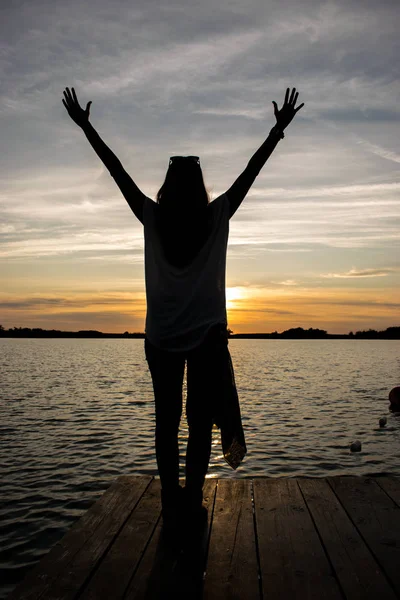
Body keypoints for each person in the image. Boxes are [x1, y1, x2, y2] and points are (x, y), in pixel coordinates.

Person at [62, 86, 304, 532]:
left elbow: (115, 170)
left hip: (162, 338)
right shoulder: (217, 215)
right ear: (200, 186)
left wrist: (86, 127)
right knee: (197, 423)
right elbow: (252, 171)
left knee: (166, 421)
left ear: (167, 186)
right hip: (207, 338)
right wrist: (276, 131)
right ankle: (192, 499)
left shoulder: (152, 216)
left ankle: (171, 501)